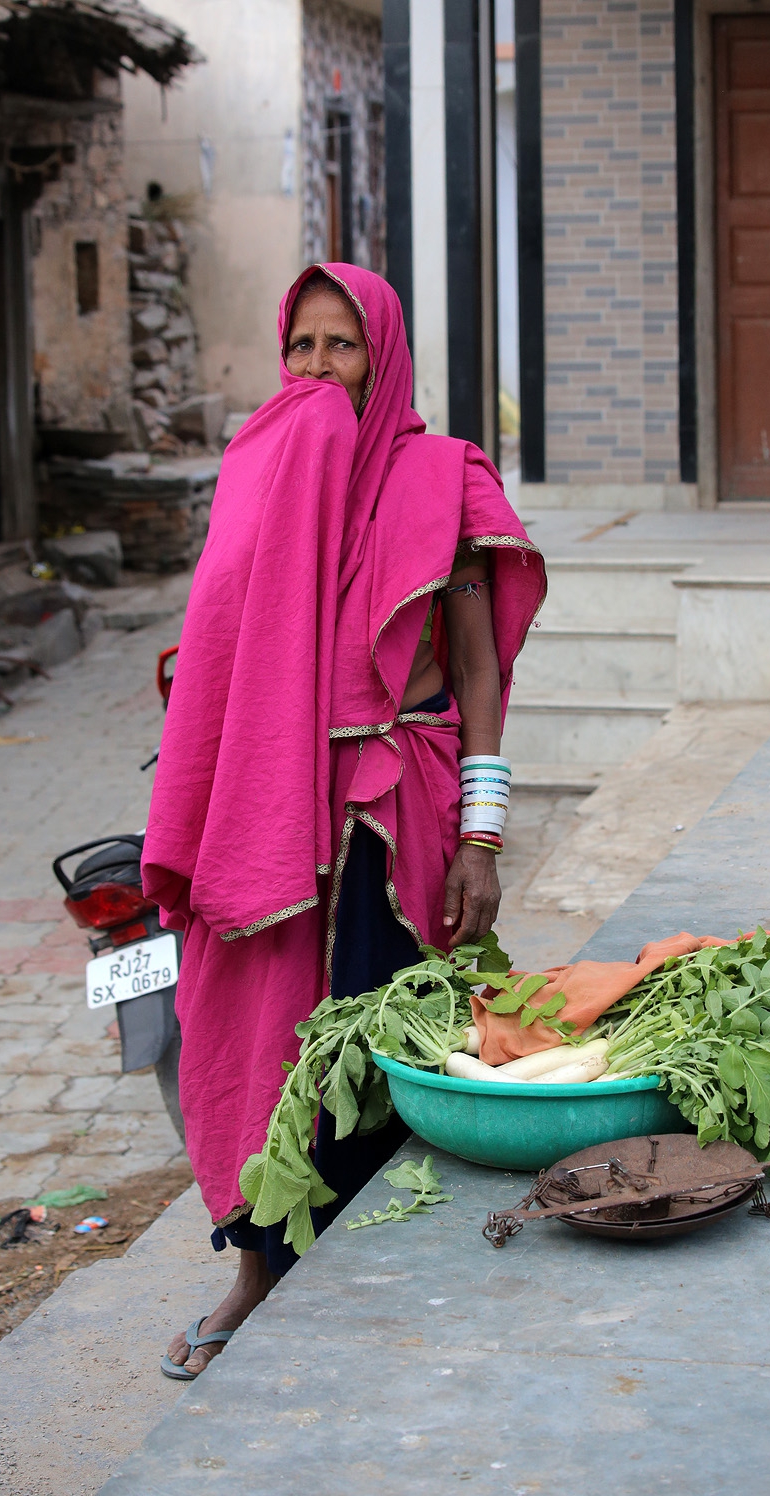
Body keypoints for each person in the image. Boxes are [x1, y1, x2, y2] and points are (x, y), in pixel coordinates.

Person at [142, 264, 545, 1378]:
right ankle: (259, 1269)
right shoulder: (264, 480)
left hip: (390, 823)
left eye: (343, 348)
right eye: (301, 349)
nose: (319, 372)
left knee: (380, 1052)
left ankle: (380, 1293)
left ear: (386, 356)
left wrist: (481, 836)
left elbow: (476, 672)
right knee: (259, 1046)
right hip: (266, 816)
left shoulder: (439, 479)